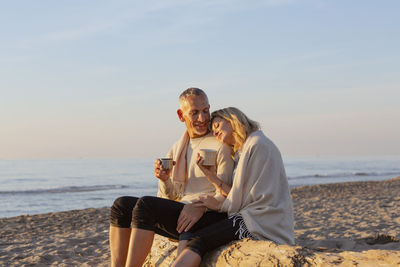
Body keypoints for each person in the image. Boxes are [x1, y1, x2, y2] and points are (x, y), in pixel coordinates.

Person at [125, 107, 294, 267]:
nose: (216, 132)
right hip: (252, 213)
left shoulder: (257, 144)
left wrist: (217, 205)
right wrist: (211, 176)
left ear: (232, 119)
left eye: (218, 125)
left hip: (262, 219)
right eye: (213, 130)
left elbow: (249, 197)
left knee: (200, 240)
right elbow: (242, 194)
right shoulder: (244, 150)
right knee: (195, 235)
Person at [109, 88, 234, 267]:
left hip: (208, 216)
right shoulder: (177, 148)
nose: (202, 118)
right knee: (121, 205)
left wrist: (199, 206)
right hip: (182, 212)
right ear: (181, 115)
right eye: (195, 113)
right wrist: (164, 179)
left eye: (205, 111)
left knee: (146, 205)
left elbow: (227, 194)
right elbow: (169, 197)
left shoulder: (220, 143)